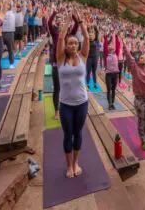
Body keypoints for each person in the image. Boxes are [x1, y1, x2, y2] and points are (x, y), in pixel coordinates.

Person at [56, 17, 90, 179]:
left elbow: (87, 38)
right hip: (66, 104)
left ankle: (76, 162)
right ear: (66, 46)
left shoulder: (83, 57)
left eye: (75, 43)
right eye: (70, 43)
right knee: (67, 134)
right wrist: (68, 20)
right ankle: (68, 165)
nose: (73, 45)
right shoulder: (60, 59)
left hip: (82, 102)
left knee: (78, 133)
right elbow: (61, 37)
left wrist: (81, 22)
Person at [48, 7, 79, 121]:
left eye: (64, 23)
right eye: (60, 24)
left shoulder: (69, 36)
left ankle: (68, 109)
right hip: (57, 66)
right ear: (58, 26)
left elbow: (76, 25)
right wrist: (55, 12)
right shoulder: (55, 34)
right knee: (57, 88)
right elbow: (48, 22)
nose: (62, 25)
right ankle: (57, 111)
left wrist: (73, 15)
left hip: (68, 66)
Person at [103, 33, 120, 110]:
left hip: (115, 74)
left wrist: (116, 37)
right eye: (110, 46)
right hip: (109, 75)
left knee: (113, 90)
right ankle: (109, 104)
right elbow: (105, 47)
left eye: (112, 46)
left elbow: (118, 45)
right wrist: (106, 38)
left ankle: (112, 103)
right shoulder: (106, 54)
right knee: (109, 89)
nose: (111, 47)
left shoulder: (116, 54)